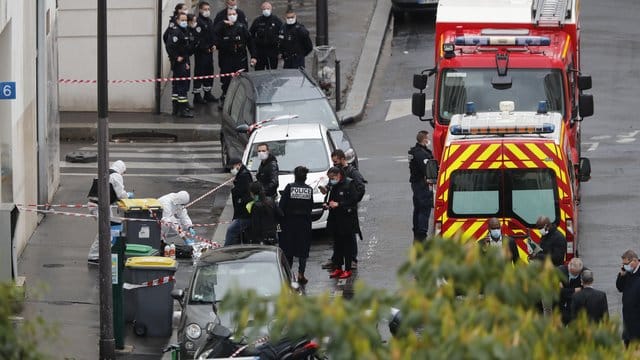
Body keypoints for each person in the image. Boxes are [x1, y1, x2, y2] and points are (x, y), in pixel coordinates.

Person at [320, 149, 366, 270]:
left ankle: (352, 259)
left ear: (342, 159)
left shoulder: (352, 172)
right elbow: (332, 186)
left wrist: (352, 201)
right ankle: (336, 258)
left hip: (347, 210)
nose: (334, 164)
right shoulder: (336, 172)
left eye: (336, 162)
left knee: (349, 236)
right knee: (338, 236)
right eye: (333, 162)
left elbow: (360, 188)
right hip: (336, 211)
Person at [87, 160, 132, 263]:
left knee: (111, 227)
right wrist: (128, 196)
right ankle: (93, 257)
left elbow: (108, 192)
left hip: (96, 205)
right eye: (123, 172)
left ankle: (107, 252)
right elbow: (121, 194)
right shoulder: (116, 176)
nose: (123, 174)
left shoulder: (103, 173)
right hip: (100, 207)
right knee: (104, 231)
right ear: (121, 169)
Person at [212, 7, 256, 105]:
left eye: (233, 14)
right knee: (226, 80)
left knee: (242, 80)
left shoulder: (242, 27)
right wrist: (222, 24)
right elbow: (213, 34)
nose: (232, 16)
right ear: (226, 16)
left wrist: (253, 56)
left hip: (240, 59)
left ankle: (242, 99)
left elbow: (250, 42)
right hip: (226, 59)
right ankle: (225, 98)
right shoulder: (222, 27)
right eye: (230, 14)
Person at [279, 166, 313, 285]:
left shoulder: (289, 188)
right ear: (305, 177)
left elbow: (281, 206)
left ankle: (288, 275)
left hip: (289, 224)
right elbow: (310, 207)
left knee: (289, 250)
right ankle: (301, 274)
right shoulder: (309, 190)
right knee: (303, 251)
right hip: (304, 224)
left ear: (295, 176)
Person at [325, 167, 359, 280]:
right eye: (330, 178)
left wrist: (339, 204)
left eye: (332, 178)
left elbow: (354, 200)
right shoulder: (333, 185)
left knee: (347, 246)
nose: (331, 180)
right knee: (337, 246)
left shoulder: (349, 184)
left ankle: (347, 269)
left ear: (339, 175)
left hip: (347, 220)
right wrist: (328, 204)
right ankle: (338, 267)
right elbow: (330, 198)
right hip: (335, 220)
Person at [165, 12, 195, 118]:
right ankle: (182, 110)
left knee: (178, 86)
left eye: (185, 20)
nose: (184, 22)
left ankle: (176, 108)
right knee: (181, 85)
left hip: (183, 61)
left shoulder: (184, 31)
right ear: (177, 21)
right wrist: (176, 57)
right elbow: (169, 46)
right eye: (182, 20)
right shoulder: (176, 32)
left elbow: (186, 49)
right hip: (179, 63)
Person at [408, 130, 434, 243]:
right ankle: (422, 234)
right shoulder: (421, 154)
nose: (429, 140)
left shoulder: (414, 151)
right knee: (424, 209)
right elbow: (427, 169)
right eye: (428, 138)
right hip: (421, 184)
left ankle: (417, 232)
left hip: (416, 184)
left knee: (418, 208)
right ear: (424, 140)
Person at [192, 1, 218, 104]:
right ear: (200, 10)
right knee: (200, 72)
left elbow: (212, 35)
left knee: (209, 72)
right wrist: (205, 48)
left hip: (209, 52)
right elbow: (198, 39)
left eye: (208, 9)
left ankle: (208, 93)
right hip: (201, 53)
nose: (207, 11)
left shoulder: (209, 21)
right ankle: (197, 95)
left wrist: (214, 44)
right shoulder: (198, 22)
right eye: (205, 9)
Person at [225, 158, 253, 246]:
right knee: (239, 234)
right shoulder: (241, 175)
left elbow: (243, 193)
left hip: (244, 213)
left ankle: (226, 250)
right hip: (241, 212)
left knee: (231, 230)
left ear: (238, 165)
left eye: (232, 167)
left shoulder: (244, 176)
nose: (231, 170)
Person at [616, 249, 640, 347]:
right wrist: (621, 276)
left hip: (638, 318)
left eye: (625, 263)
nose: (623, 266)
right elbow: (620, 288)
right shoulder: (627, 272)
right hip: (627, 317)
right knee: (628, 344)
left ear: (634, 261)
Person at [249, 2, 282, 70]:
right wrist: (253, 55)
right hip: (260, 53)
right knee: (259, 73)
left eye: (268, 8)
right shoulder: (257, 21)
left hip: (272, 52)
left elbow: (282, 35)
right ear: (261, 10)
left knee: (272, 73)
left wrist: (280, 52)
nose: (266, 10)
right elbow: (251, 37)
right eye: (264, 9)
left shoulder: (276, 21)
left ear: (271, 9)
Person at [558, 257, 588, 325]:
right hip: (562, 305)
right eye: (573, 273)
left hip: (576, 306)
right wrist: (574, 290)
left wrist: (565, 291)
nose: (575, 275)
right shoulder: (560, 271)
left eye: (577, 273)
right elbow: (559, 292)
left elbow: (584, 290)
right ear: (569, 267)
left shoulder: (585, 273)